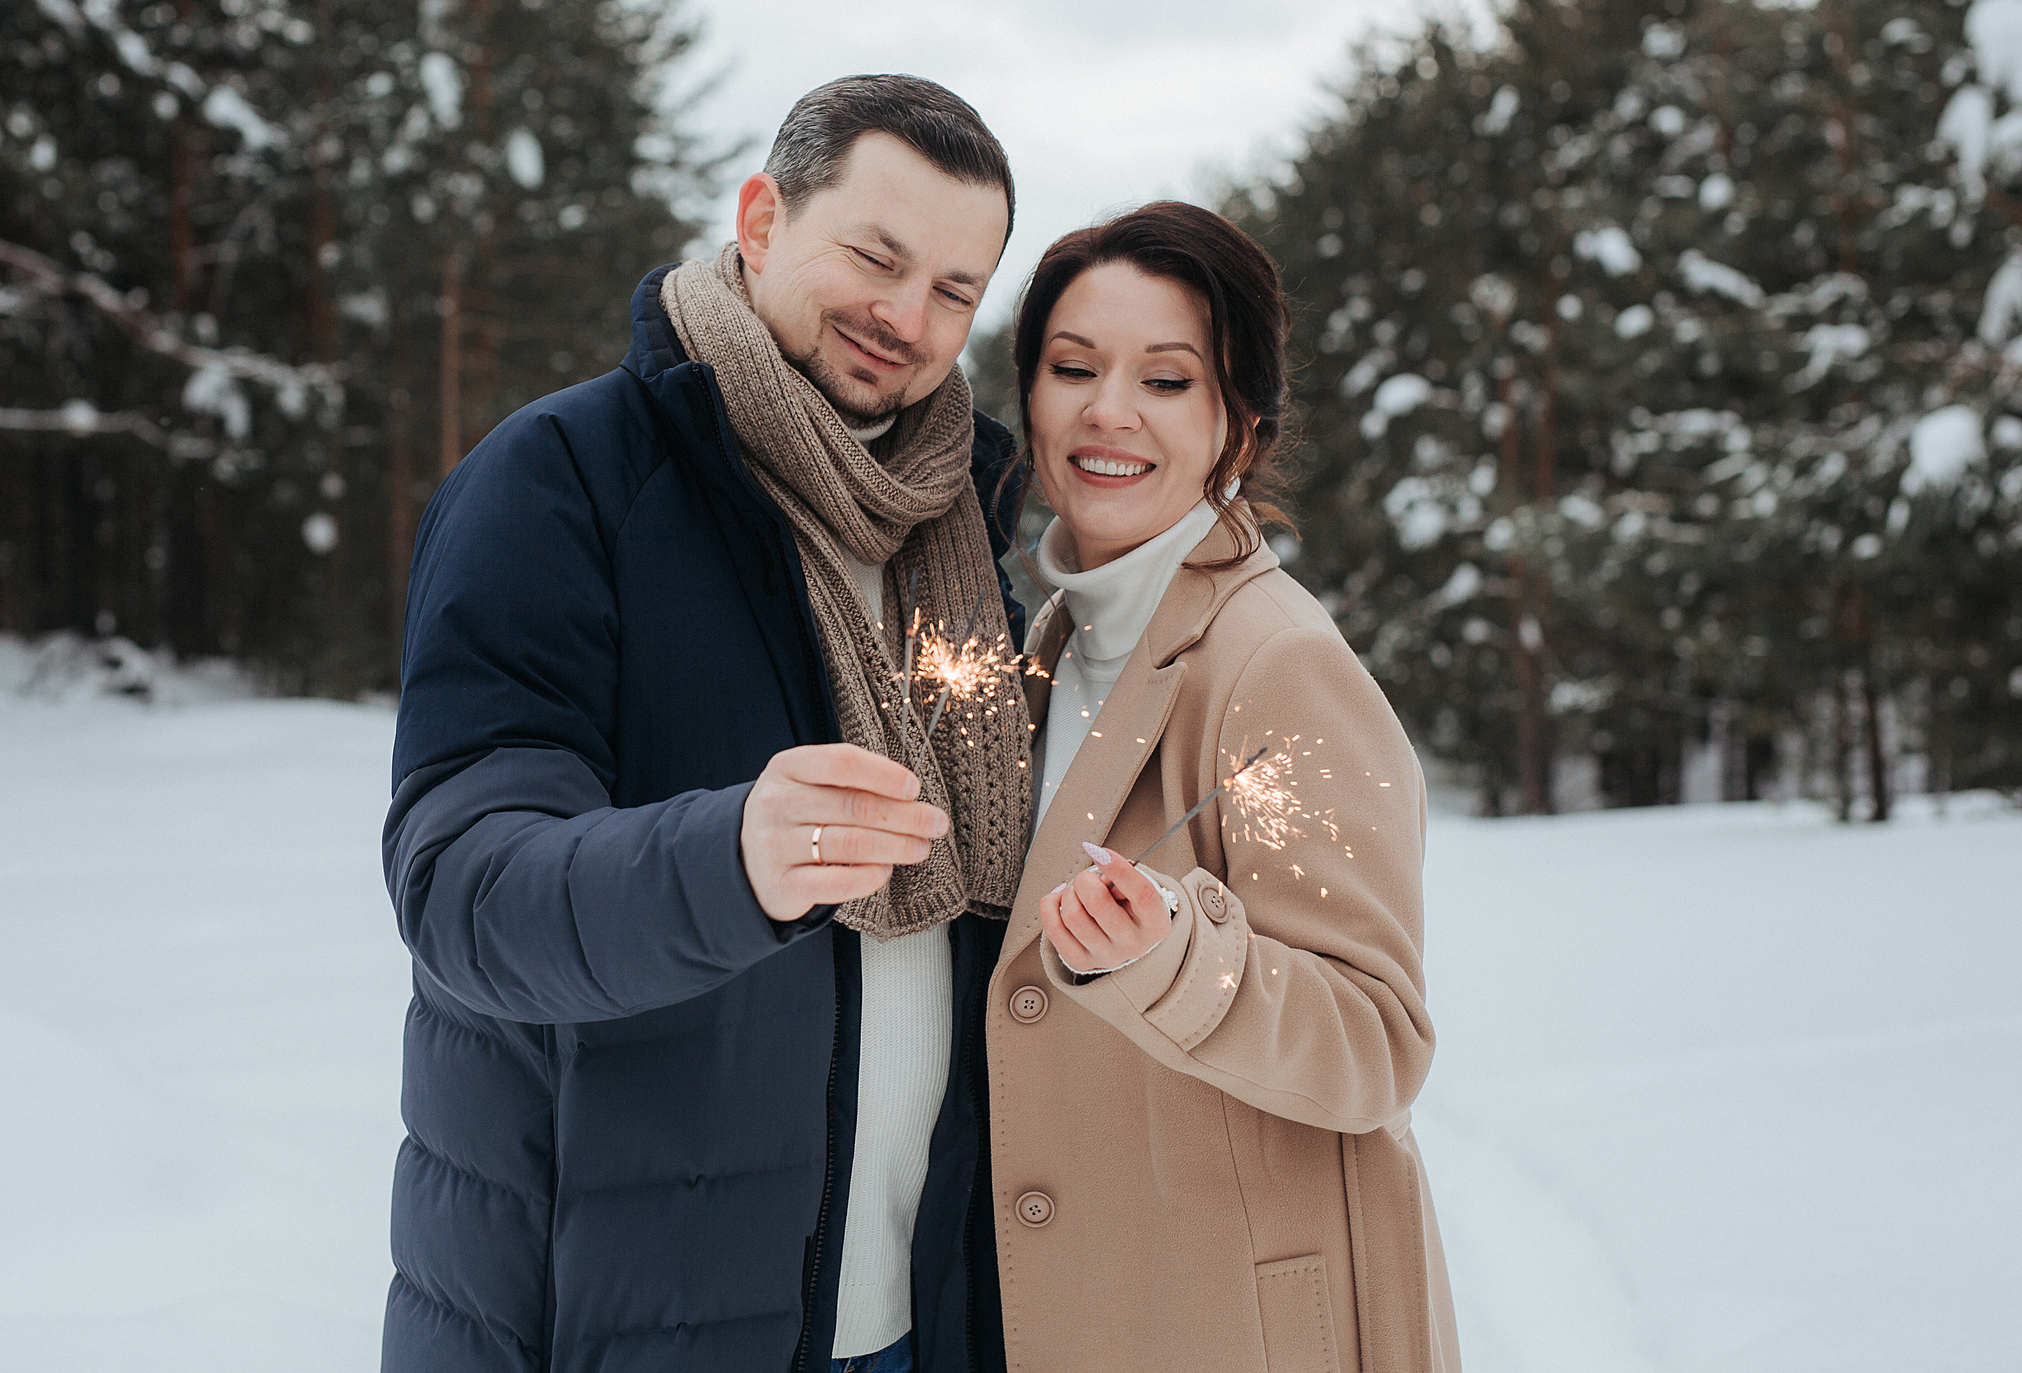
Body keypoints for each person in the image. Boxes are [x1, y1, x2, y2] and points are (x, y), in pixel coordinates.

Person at [382, 75, 1032, 1373]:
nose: (908, 320)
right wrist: (728, 859)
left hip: (915, 1317)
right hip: (625, 1319)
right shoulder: (561, 480)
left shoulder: (957, 535)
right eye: (876, 257)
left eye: (954, 291)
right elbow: (461, 887)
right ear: (761, 218)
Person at [982, 203, 1460, 1373]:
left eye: (1165, 380)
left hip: (1240, 1331)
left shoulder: (1277, 667)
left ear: (1237, 427)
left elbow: (1376, 1043)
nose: (1109, 411)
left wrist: (1173, 959)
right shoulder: (1051, 646)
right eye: (1073, 368)